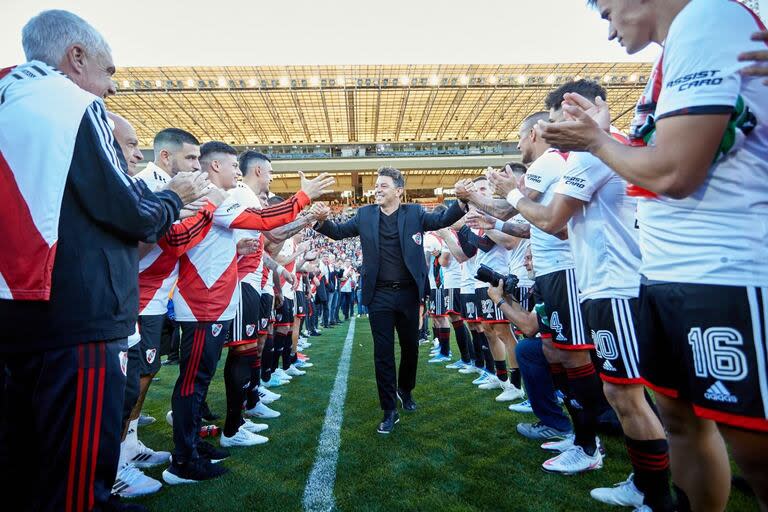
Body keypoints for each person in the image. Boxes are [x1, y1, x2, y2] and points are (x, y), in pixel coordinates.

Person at [541, 0, 768, 509]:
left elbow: (673, 173)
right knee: (681, 421)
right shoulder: (677, 47)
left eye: (605, 13)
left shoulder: (708, 20)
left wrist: (598, 142)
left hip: (726, 272)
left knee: (755, 449)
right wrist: (604, 138)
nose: (608, 30)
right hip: (667, 274)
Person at [0, 10, 208, 511]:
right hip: (79, 318)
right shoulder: (71, 103)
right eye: (109, 70)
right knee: (76, 477)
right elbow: (128, 212)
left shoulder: (11, 95)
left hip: (19, 306)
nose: (111, 88)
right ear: (75, 57)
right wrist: (173, 197)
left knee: (24, 466)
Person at [314, 167, 467, 434]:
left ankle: (405, 390)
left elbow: (442, 218)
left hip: (409, 293)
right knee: (382, 353)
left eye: (383, 186)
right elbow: (337, 232)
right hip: (379, 295)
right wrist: (320, 221)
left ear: (398, 190)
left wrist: (462, 202)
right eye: (376, 185)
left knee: (410, 348)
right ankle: (389, 409)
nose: (377, 189)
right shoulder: (364, 215)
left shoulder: (415, 213)